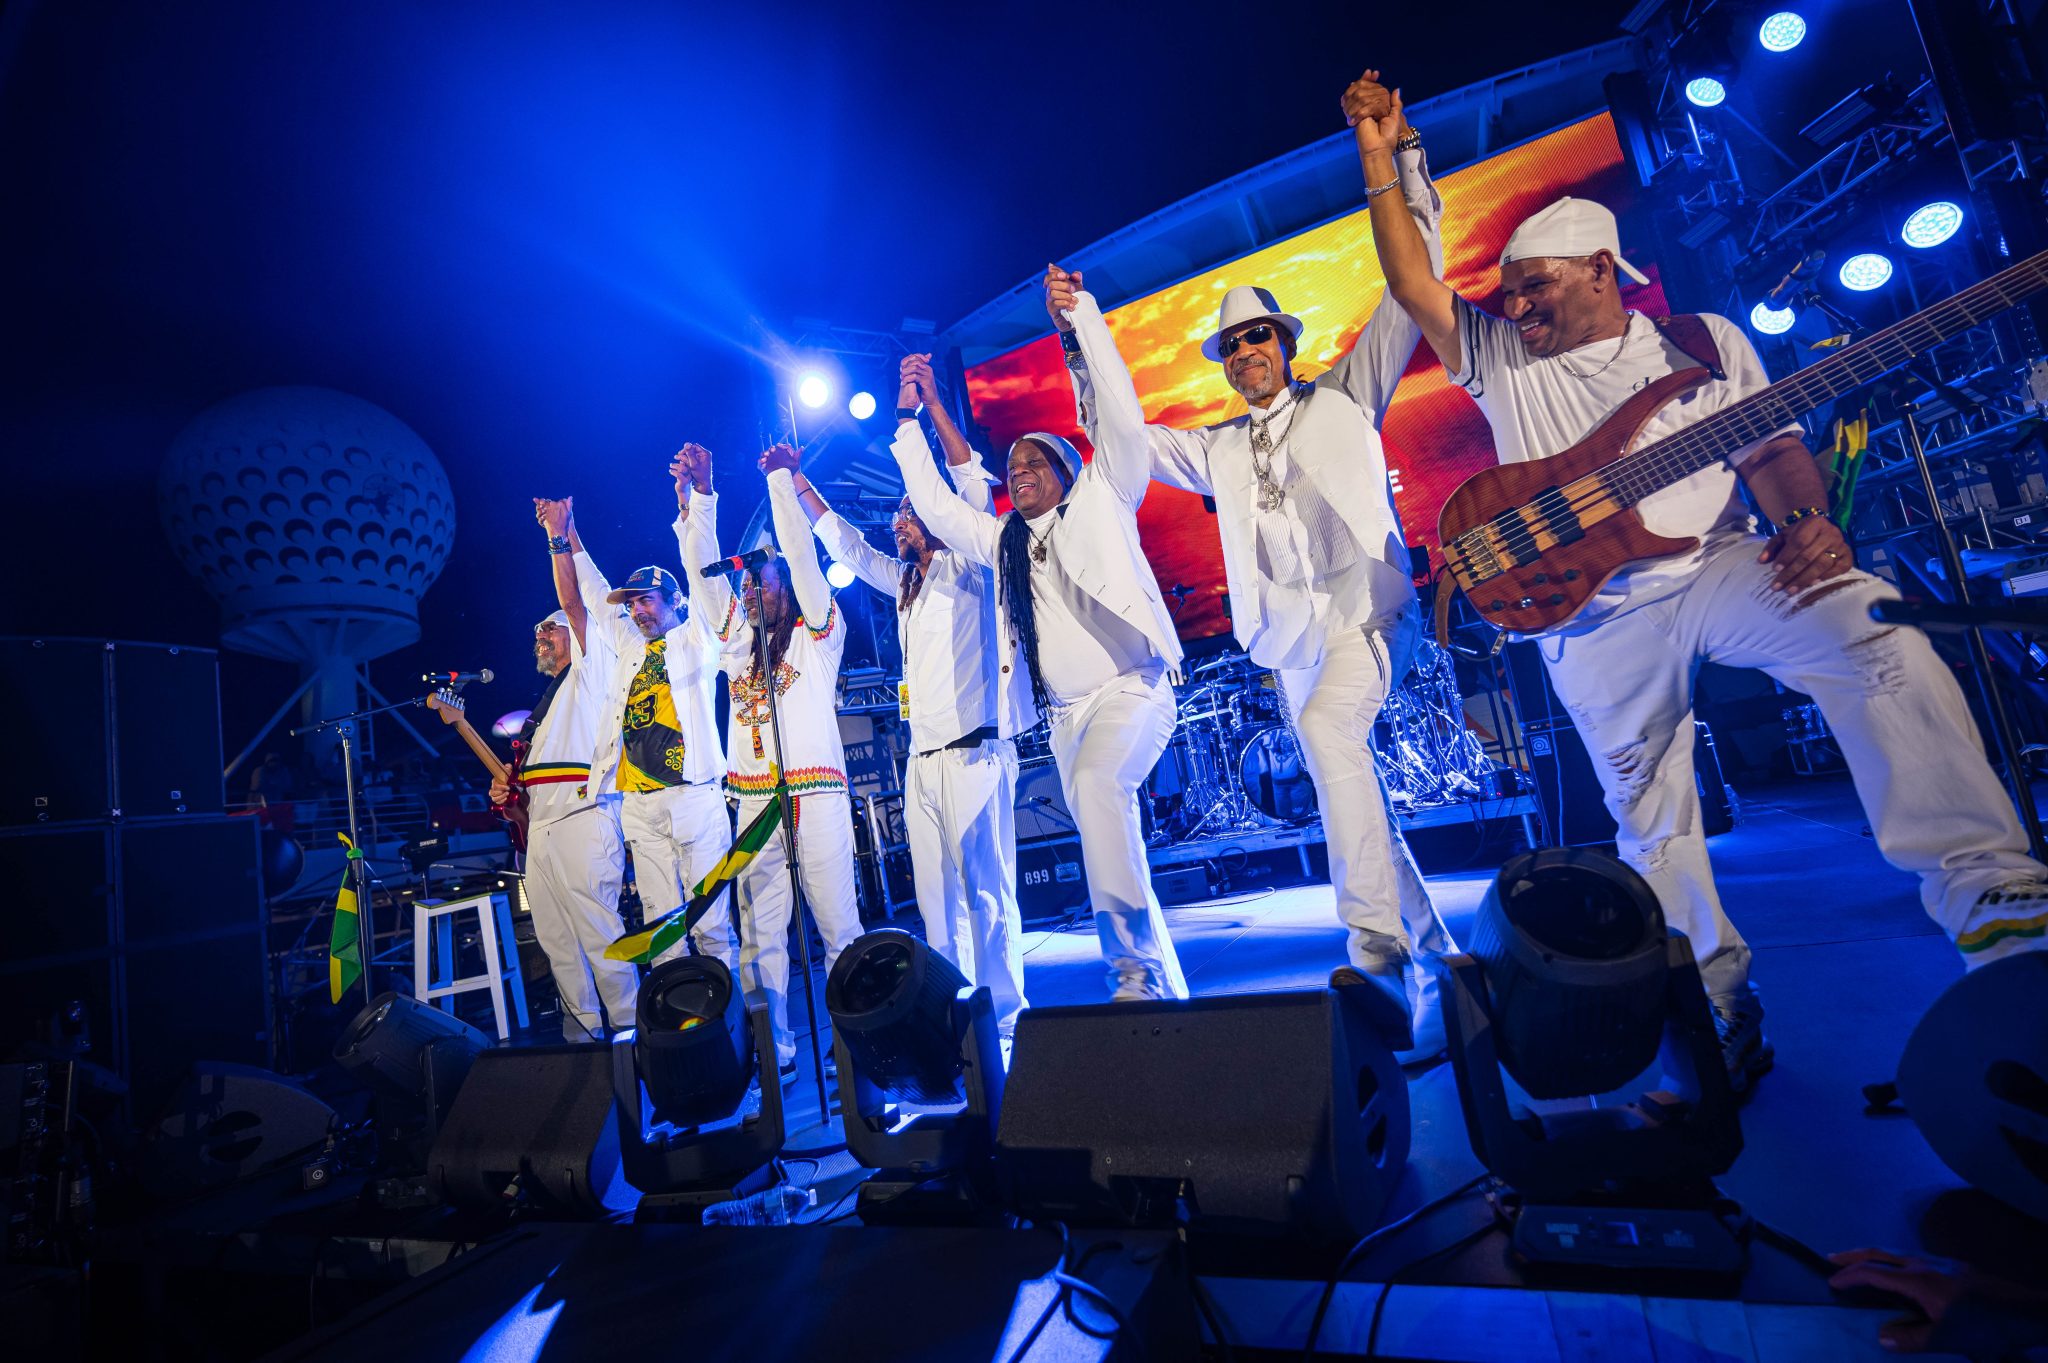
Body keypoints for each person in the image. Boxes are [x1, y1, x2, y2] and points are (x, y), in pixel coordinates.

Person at [1355, 80, 2048, 1089]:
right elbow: (1412, 280)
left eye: (1536, 287)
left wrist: (1807, 521)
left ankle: (1995, 904)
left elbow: (1771, 450)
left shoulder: (1703, 342)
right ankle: (1714, 1002)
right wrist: (1380, 157)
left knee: (1872, 629)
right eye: (1509, 292)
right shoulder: (1503, 357)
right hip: (1592, 619)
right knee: (1651, 821)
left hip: (1716, 566)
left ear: (1602, 270)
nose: (1517, 307)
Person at [1046, 68, 1456, 1057]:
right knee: (1344, 778)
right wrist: (1079, 343)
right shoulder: (1219, 447)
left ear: (1286, 341)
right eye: (1232, 347)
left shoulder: (1348, 391)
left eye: (1259, 337)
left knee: (1327, 735)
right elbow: (1124, 437)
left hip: (1365, 617)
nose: (1246, 354)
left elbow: (1415, 280)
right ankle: (1443, 956)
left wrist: (1399, 157)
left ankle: (1376, 962)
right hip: (1289, 642)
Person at [891, 352, 1190, 1003]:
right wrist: (913, 418)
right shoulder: (1005, 542)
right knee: (1110, 837)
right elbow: (939, 508)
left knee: (1099, 788)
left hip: (1131, 689)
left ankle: (1132, 976)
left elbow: (1117, 423)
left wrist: (1081, 337)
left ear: (1067, 473)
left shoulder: (1100, 505)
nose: (1019, 472)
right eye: (1012, 467)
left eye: (1034, 462)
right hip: (1066, 719)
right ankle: (1163, 987)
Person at [785, 354, 1030, 1037]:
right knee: (936, 905)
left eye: (909, 512)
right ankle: (954, 1023)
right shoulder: (905, 584)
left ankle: (1009, 1022)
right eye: (896, 513)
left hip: (976, 754)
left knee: (988, 896)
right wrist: (797, 482)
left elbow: (967, 480)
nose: (899, 521)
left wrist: (925, 408)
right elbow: (847, 546)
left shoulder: (972, 564)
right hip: (922, 762)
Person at [683, 443, 866, 1082]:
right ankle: (775, 1050)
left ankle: (858, 1047)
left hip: (815, 797)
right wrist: (701, 498)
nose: (752, 593)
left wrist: (783, 484)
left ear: (784, 589)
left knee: (838, 922)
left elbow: (804, 561)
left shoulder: (818, 637)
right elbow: (704, 579)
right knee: (762, 934)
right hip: (756, 803)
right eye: (748, 586)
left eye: (762, 584)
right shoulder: (737, 648)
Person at [536, 470, 736, 977]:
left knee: (711, 925)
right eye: (633, 604)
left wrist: (693, 505)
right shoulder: (629, 645)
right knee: (661, 929)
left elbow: (701, 574)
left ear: (674, 602)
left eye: (646, 600)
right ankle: (681, 1020)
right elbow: (592, 589)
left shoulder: (697, 640)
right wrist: (568, 530)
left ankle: (733, 1022)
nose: (638, 611)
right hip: (640, 804)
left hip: (693, 796)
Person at [493, 523, 636, 1039]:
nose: (540, 636)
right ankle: (584, 1044)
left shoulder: (592, 672)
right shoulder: (543, 708)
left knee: (601, 935)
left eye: (549, 629)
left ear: (575, 638)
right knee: (557, 944)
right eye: (537, 631)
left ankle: (630, 1038)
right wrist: (510, 794)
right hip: (543, 831)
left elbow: (574, 604)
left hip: (584, 818)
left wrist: (559, 537)